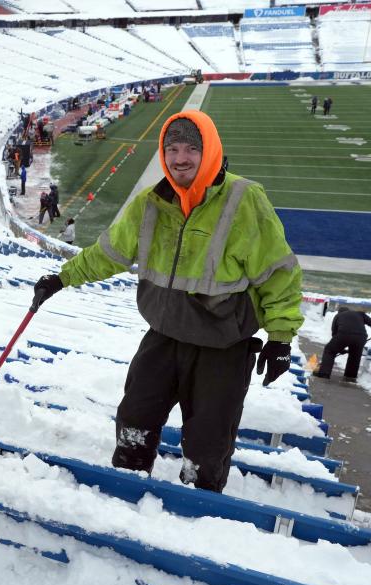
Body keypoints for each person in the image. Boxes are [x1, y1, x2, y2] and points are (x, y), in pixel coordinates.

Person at [30, 110, 303, 493]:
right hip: (164, 335)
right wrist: (62, 277)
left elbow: (278, 272)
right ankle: (125, 489)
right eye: (172, 148)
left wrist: (280, 339)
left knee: (207, 446)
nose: (180, 158)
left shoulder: (244, 200)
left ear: (209, 151)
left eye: (192, 148)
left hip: (222, 345)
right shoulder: (151, 202)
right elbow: (110, 252)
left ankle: (197, 509)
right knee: (134, 420)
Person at [314, 306, 371, 382]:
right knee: (355, 356)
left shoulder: (338, 316)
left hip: (343, 335)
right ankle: (350, 377)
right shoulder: (360, 314)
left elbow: (334, 333)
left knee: (329, 350)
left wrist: (339, 349)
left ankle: (324, 374)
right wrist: (341, 349)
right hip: (360, 337)